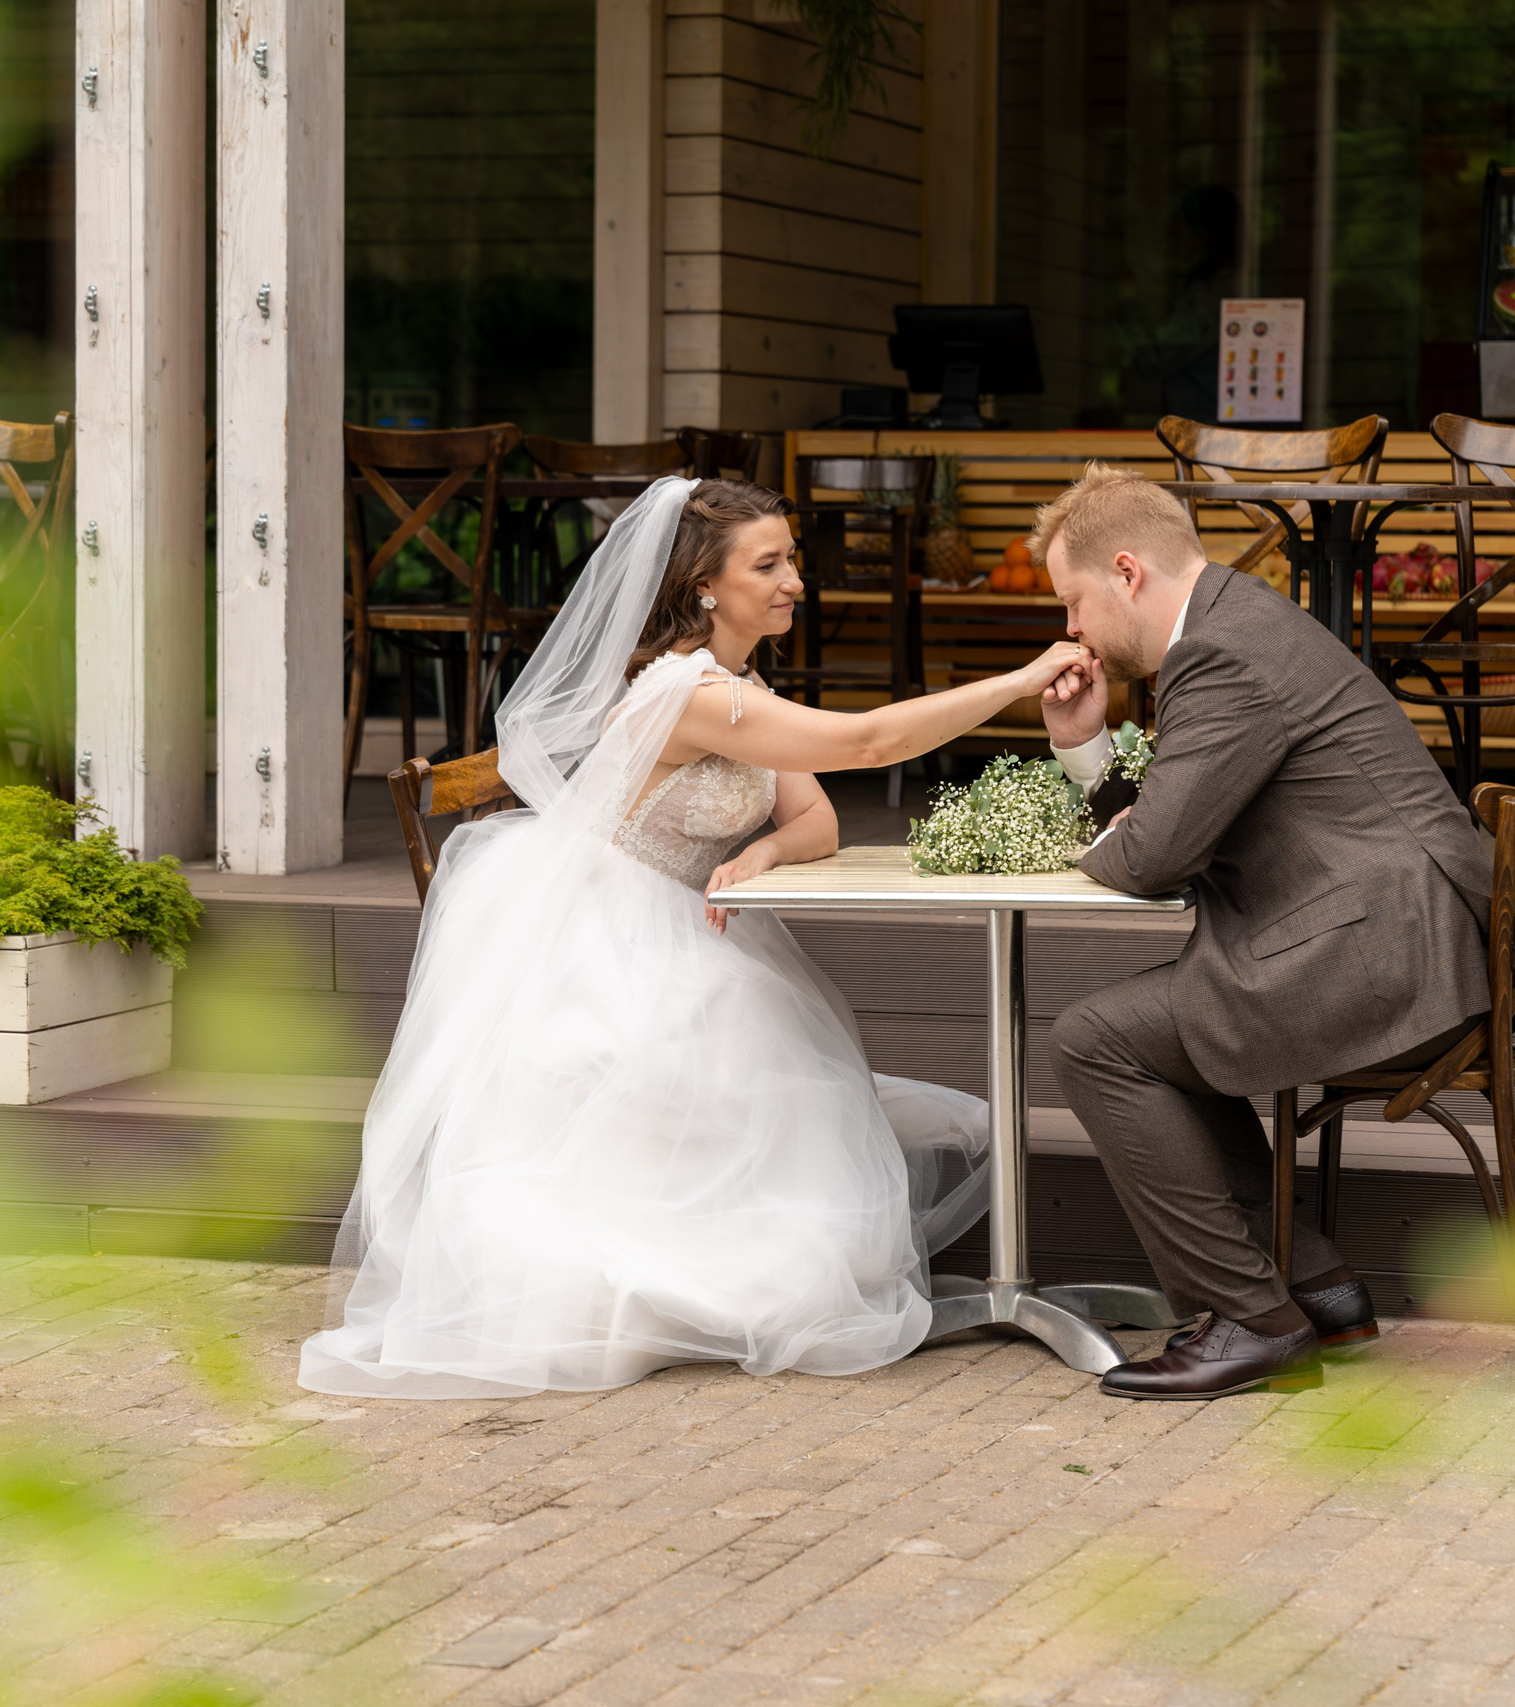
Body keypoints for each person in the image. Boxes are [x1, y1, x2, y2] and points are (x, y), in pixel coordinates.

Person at [299, 477, 1091, 1399]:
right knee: (731, 1086)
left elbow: (820, 817)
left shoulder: (742, 685)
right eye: (771, 563)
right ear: (704, 585)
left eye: (792, 558)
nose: (796, 579)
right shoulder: (686, 695)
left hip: (686, 924)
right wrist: (1022, 679)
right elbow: (869, 743)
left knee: (770, 1081)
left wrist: (762, 850)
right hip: (608, 935)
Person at [1032, 464, 1515, 1401]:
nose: (1072, 630)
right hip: (1415, 944)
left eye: (1073, 602)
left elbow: (1153, 857)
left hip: (1392, 961)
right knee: (1166, 1026)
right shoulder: (1242, 622)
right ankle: (1317, 1283)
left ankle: (1252, 1319)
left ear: (1126, 571)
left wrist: (1077, 835)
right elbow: (1172, 827)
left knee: (1096, 1040)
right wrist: (1088, 750)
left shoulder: (1220, 654)